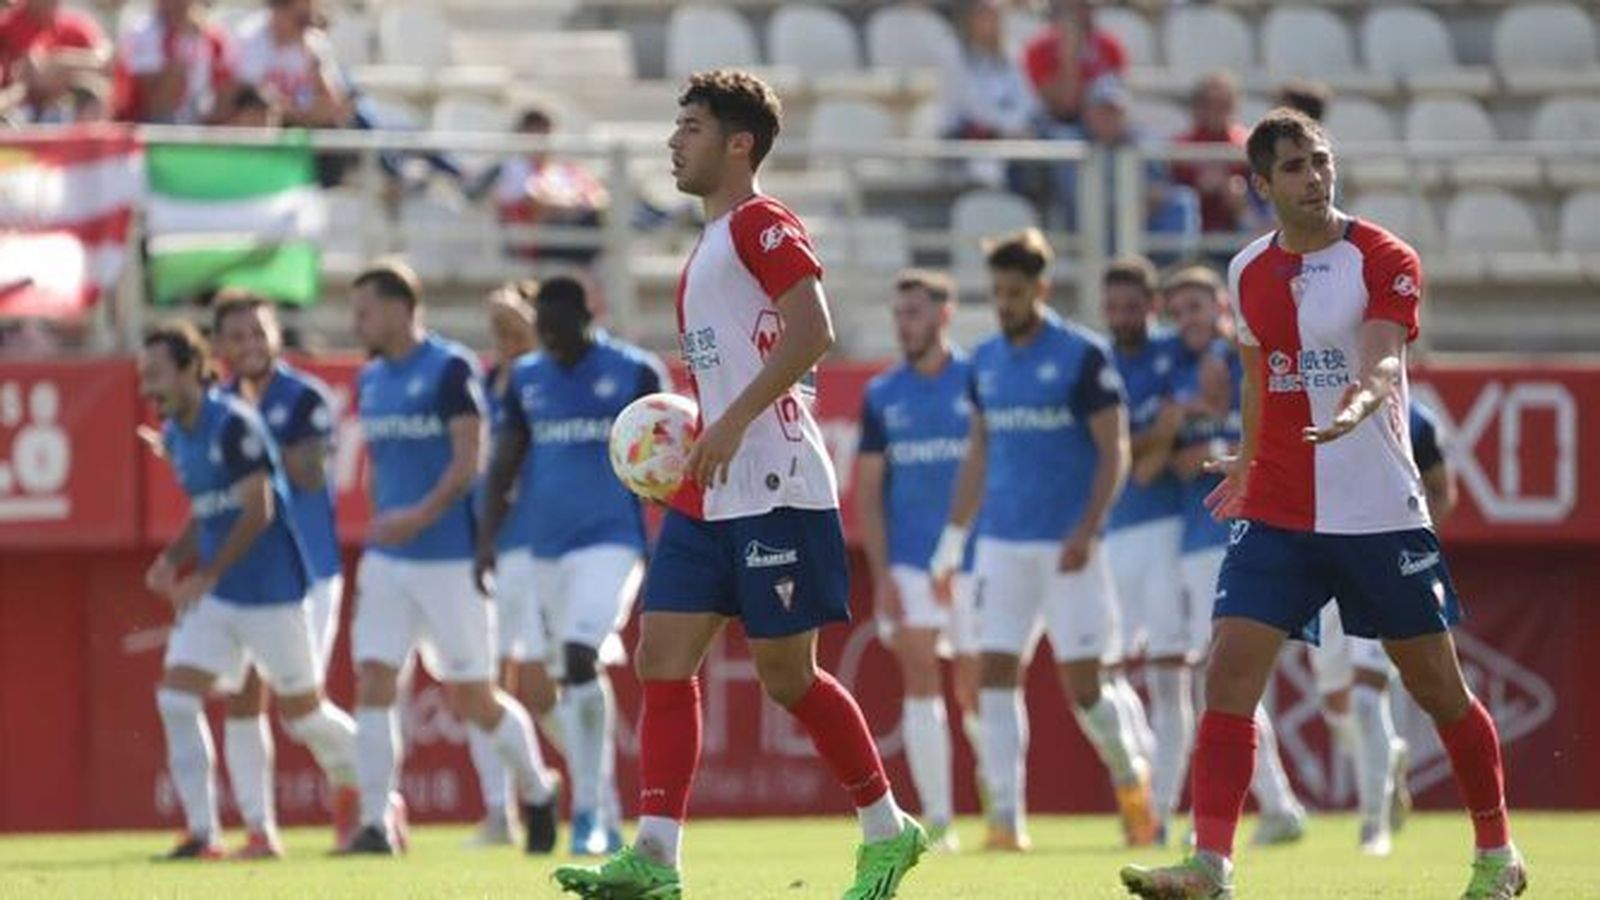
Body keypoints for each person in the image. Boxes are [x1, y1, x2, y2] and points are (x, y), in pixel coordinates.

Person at [1119, 108, 1526, 900]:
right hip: (1277, 507)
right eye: (1297, 166)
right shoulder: (1245, 270)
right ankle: (1210, 867)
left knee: (1436, 687)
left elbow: (1380, 361)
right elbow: (1257, 373)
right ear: (1262, 184)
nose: (1316, 176)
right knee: (1227, 672)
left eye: (1322, 160)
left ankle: (1496, 853)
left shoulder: (1382, 256)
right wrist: (1249, 453)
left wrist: (1360, 406)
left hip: (1377, 507)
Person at [553, 69, 927, 900]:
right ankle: (655, 855)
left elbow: (815, 330)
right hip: (711, 488)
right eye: (675, 126)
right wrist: (687, 438)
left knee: (786, 677)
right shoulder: (710, 241)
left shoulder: (762, 221)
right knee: (660, 654)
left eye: (689, 127)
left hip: (777, 483)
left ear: (738, 143)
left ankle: (887, 830)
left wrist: (725, 426)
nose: (672, 141)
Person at [930, 227, 1154, 851]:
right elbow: (978, 455)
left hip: (1069, 548)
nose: (1004, 303)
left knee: (1086, 690)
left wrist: (1088, 528)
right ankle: (1006, 817)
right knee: (996, 673)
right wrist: (952, 543)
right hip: (1000, 545)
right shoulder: (984, 363)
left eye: (1015, 291)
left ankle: (1132, 779)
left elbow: (1116, 449)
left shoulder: (1082, 356)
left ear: (1041, 289)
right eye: (997, 291)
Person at [341, 258, 559, 856]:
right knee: (375, 680)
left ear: (397, 306)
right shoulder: (372, 379)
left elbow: (470, 462)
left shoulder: (448, 368)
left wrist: (418, 515)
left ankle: (538, 791)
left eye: (364, 311)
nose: (356, 323)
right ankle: (374, 822)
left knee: (474, 698)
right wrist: (387, 518)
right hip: (390, 560)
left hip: (448, 558)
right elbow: (383, 468)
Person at [139, 321, 358, 860]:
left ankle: (376, 786)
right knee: (175, 696)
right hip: (220, 596)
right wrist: (170, 559)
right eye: (143, 376)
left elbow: (257, 509)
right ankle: (207, 833)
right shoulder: (178, 432)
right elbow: (209, 510)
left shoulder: (234, 424)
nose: (148, 386)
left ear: (192, 369)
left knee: (304, 714)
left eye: (157, 374)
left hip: (272, 591)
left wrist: (205, 574)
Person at [478, 275, 665, 857]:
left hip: (612, 542)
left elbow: (674, 450)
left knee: (582, 655)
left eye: (561, 331)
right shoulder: (528, 378)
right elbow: (506, 459)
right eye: (545, 332)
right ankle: (601, 805)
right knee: (563, 675)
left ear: (591, 315)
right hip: (543, 549)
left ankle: (587, 812)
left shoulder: (635, 372)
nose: (552, 342)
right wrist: (485, 539)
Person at [1157, 266, 1308, 847]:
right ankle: (1275, 805)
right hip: (1201, 540)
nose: (1189, 319)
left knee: (1223, 680)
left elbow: (1276, 439)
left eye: (1198, 306)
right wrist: (1198, 413)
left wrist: (1209, 422)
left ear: (1222, 306)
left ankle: (1273, 805)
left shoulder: (1252, 362)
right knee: (1219, 679)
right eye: (1180, 310)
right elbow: (1178, 463)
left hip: (1244, 535)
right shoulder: (1175, 371)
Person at [210, 291, 356, 857]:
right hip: (247, 577)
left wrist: (246, 438)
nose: (250, 344)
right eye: (237, 335)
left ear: (276, 336)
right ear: (219, 345)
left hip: (305, 574)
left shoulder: (304, 399)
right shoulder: (214, 404)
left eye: (259, 332)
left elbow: (311, 475)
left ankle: (367, 788)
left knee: (302, 711)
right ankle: (258, 830)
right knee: (242, 699)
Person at [855, 269, 982, 854]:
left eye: (914, 313)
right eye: (898, 315)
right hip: (909, 560)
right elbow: (870, 490)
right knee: (921, 676)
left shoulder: (978, 379)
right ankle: (938, 818)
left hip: (976, 558)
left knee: (980, 686)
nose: (904, 325)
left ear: (943, 315)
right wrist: (882, 578)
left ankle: (1004, 804)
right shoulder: (882, 394)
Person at [1310, 398, 1457, 856]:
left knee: (1365, 698)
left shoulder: (1417, 417)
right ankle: (1388, 758)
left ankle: (1374, 827)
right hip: (1326, 568)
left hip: (1384, 567)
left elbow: (1441, 490)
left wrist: (1414, 544)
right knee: (1336, 706)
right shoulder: (1314, 403)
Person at [1099, 256, 1185, 843]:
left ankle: (1164, 810)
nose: (1124, 318)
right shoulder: (1096, 361)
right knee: (1104, 671)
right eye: (1115, 308)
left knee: (1169, 675)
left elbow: (1168, 436)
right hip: (1111, 532)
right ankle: (1147, 771)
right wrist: (1145, 446)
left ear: (1151, 307)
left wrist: (1139, 446)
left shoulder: (1173, 354)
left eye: (1134, 308)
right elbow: (1128, 446)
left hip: (1167, 532)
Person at [462, 280, 542, 849]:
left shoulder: (550, 383)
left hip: (540, 547)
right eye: (497, 329)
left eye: (514, 325)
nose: (506, 338)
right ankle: (501, 808)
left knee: (539, 686)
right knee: (482, 682)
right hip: (492, 547)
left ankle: (574, 795)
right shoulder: (485, 384)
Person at [489, 108, 610, 265]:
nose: (540, 137)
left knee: (606, 220)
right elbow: (533, 203)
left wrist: (573, 205)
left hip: (573, 233)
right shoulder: (513, 167)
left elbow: (597, 196)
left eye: (545, 131)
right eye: (534, 130)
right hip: (537, 242)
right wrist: (570, 206)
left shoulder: (562, 169)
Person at [230, 0, 352, 129]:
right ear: (278, 10)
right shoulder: (250, 38)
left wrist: (315, 67)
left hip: (304, 128)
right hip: (265, 130)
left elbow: (335, 106)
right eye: (302, 18)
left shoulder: (314, 42)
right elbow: (250, 103)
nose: (308, 25)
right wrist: (301, 113)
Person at [113, 0, 235, 124]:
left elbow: (225, 97)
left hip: (199, 127)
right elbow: (158, 105)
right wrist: (186, 43)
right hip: (150, 127)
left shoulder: (214, 37)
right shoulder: (143, 32)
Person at [1171, 72, 1254, 236]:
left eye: (1224, 104)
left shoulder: (1248, 146)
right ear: (1197, 106)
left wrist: (1237, 196)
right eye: (1209, 103)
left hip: (1236, 234)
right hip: (1194, 233)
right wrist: (1198, 188)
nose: (1216, 110)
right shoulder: (1179, 147)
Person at [1022, 0, 1126, 126]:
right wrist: (1070, 58)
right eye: (1076, 6)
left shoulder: (1110, 46)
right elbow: (1064, 107)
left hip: (1102, 127)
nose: (1083, 13)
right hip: (1055, 125)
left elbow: (1116, 101)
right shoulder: (1038, 48)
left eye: (1087, 6)